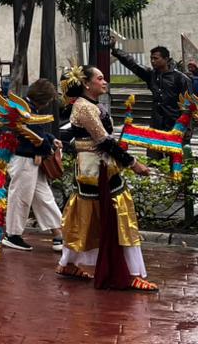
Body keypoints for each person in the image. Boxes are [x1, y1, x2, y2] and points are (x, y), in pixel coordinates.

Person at [56, 65, 157, 290]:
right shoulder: (84, 107)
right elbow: (104, 141)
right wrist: (133, 163)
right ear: (86, 84)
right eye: (100, 78)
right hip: (96, 172)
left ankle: (67, 263)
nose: (105, 82)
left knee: (86, 217)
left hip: (97, 169)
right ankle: (131, 273)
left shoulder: (91, 105)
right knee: (119, 216)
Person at [2, 78, 64, 252]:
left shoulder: (24, 108)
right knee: (20, 198)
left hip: (29, 160)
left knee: (44, 197)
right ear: (44, 99)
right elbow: (37, 138)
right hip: (24, 160)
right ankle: (12, 235)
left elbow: (39, 134)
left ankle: (58, 233)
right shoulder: (26, 111)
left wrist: (50, 140)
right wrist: (49, 146)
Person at [111, 42, 190, 130]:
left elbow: (188, 107)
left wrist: (186, 131)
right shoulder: (151, 75)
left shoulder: (180, 78)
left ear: (166, 59)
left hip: (175, 125)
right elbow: (133, 64)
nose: (152, 61)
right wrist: (115, 50)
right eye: (151, 58)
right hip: (156, 125)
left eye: (156, 58)